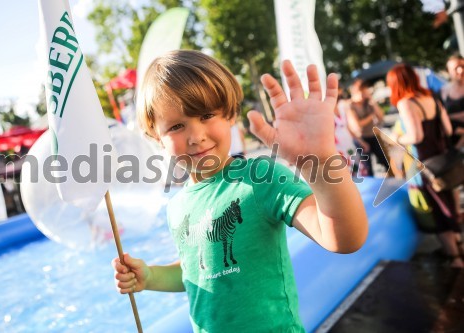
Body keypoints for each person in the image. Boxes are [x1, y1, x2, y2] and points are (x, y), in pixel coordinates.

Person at [112, 50, 368, 332]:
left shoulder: (261, 179)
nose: (196, 136)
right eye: (176, 126)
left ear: (230, 114)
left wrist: (319, 162)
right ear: (156, 137)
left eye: (207, 115)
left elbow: (343, 239)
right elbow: (197, 272)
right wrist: (149, 277)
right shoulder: (177, 207)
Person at [386, 63, 464, 268]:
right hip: (443, 161)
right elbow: (447, 129)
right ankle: (457, 246)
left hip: (424, 166)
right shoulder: (431, 97)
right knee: (449, 203)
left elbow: (416, 136)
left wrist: (396, 137)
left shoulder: (406, 103)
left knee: (436, 211)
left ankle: (455, 260)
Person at [347, 79, 389, 176]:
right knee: (368, 167)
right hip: (361, 139)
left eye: (364, 90)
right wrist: (371, 116)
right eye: (360, 91)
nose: (362, 93)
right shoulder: (351, 105)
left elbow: (381, 116)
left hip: (373, 135)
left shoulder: (368, 103)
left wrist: (373, 102)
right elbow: (358, 124)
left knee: (385, 161)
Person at [440, 55, 464, 148]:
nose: (460, 70)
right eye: (456, 68)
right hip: (452, 143)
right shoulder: (443, 91)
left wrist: (448, 117)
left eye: (462, 66)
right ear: (448, 71)